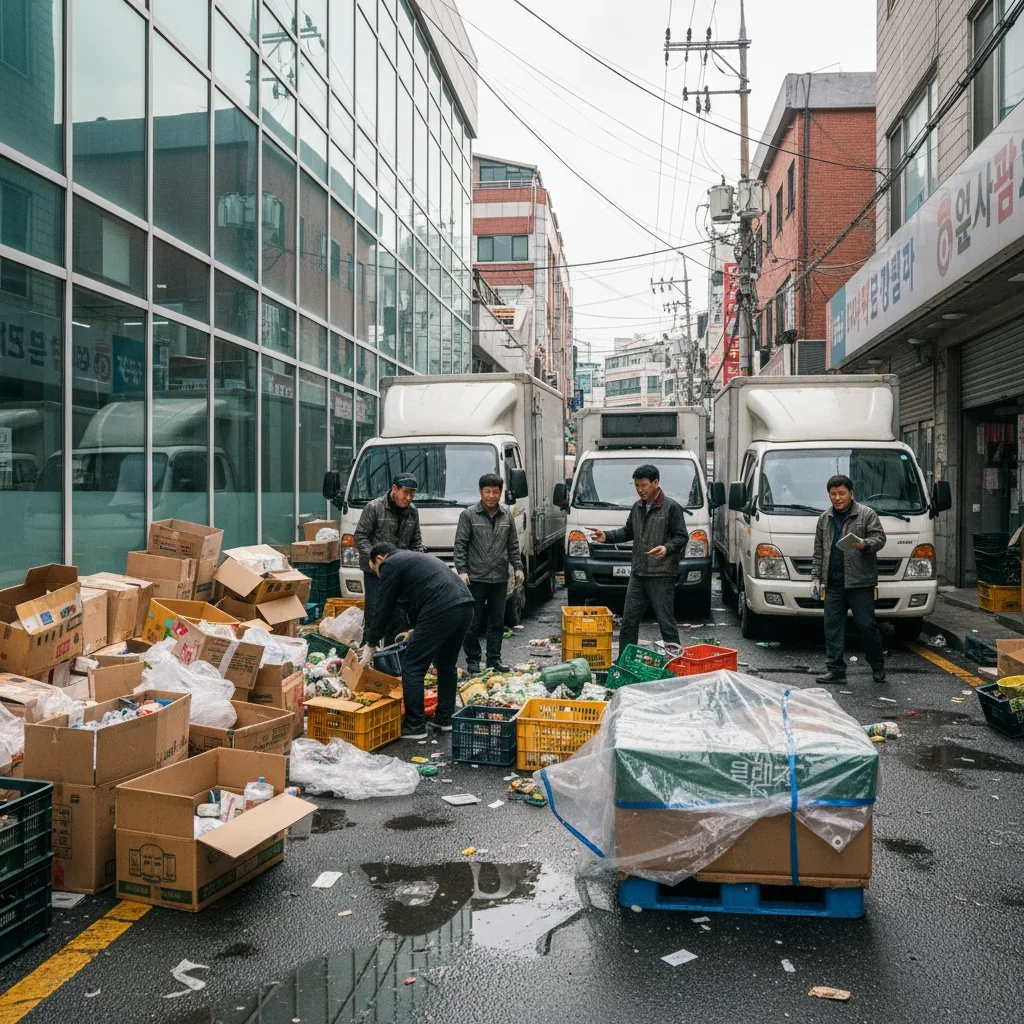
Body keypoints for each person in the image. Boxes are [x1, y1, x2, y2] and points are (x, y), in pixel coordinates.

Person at [363, 544, 475, 739]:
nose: (378, 576)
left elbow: (382, 607)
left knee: (413, 665)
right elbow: (418, 595)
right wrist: (415, 628)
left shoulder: (390, 564)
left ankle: (415, 726)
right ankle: (445, 718)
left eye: (375, 570)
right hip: (465, 604)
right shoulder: (413, 558)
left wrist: (371, 642)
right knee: (446, 664)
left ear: (379, 559)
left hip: (442, 607)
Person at [590, 463, 688, 656]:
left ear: (656, 482)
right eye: (636, 485)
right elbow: (628, 531)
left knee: (666, 624)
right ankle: (625, 662)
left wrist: (666, 548)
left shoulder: (671, 508)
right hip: (638, 574)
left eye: (643, 485)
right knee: (628, 623)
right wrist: (606, 537)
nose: (640, 490)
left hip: (661, 575)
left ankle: (675, 663)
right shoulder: (637, 507)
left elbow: (681, 536)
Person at [812, 474, 888, 684]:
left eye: (842, 493)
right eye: (833, 494)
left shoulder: (866, 514)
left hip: (860, 582)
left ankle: (877, 665)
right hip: (834, 583)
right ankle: (836, 670)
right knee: (832, 628)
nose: (837, 498)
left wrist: (865, 544)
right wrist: (816, 578)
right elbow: (818, 551)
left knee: (866, 626)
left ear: (851, 493)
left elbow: (880, 538)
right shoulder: (824, 518)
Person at [454, 473, 524, 675]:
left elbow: (513, 545)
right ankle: (473, 660)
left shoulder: (506, 515)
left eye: (495, 492)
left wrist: (518, 567)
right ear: (480, 492)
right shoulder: (468, 515)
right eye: (487, 491)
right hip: (475, 578)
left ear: (500, 493)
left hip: (500, 578)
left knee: (497, 622)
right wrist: (462, 571)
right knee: (472, 622)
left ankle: (494, 659)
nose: (491, 496)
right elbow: (460, 546)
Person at [354, 473, 425, 646]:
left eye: (412, 494)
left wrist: (416, 560)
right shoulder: (374, 507)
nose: (408, 498)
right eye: (405, 493)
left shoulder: (413, 512)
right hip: (375, 573)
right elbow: (360, 536)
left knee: (398, 616)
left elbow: (416, 542)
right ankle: (369, 656)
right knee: (375, 613)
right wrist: (374, 557)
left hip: (400, 573)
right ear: (394, 488)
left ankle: (393, 658)